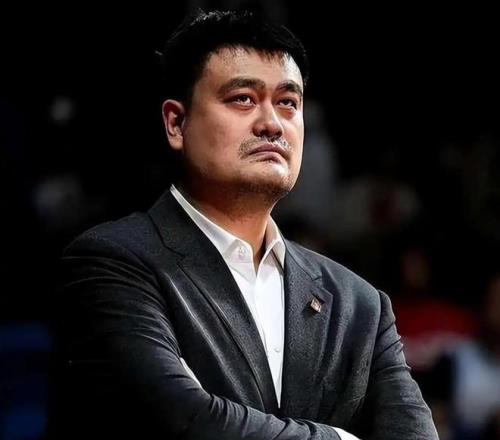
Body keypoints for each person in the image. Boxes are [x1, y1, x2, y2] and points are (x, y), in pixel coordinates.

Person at [48, 10, 438, 440]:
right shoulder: (111, 262)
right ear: (176, 123)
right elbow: (185, 421)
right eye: (243, 99)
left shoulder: (360, 304)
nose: (272, 123)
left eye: (288, 103)